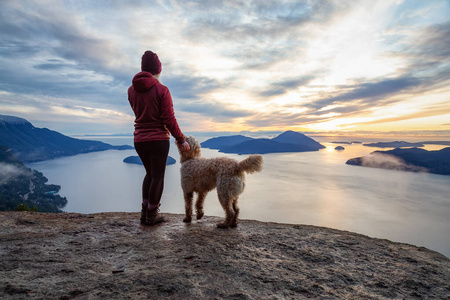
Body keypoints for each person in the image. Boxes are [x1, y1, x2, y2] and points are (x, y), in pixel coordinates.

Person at [128, 50, 190, 225]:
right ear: (158, 70)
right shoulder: (162, 90)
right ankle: (152, 215)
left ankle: (144, 212)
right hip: (158, 139)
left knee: (149, 174)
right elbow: (168, 118)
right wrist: (181, 139)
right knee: (158, 177)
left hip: (139, 139)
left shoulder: (131, 90)